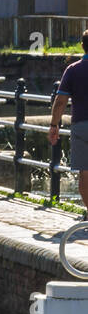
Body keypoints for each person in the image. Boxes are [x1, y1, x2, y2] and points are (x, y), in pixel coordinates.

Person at [49, 29, 88, 198]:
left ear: (82, 46)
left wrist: (54, 125)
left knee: (85, 175)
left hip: (81, 126)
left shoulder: (73, 70)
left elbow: (60, 102)